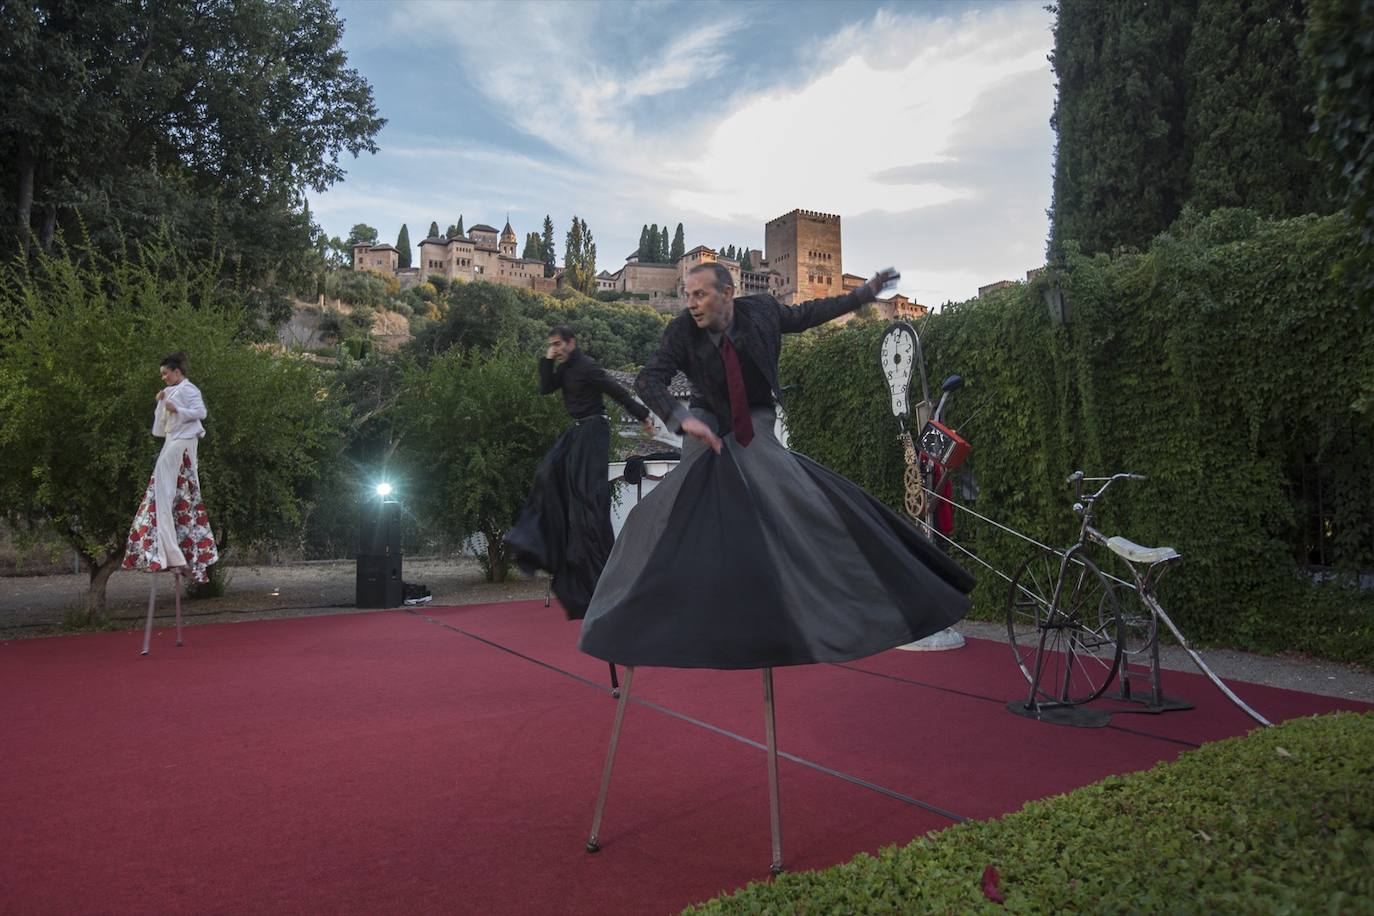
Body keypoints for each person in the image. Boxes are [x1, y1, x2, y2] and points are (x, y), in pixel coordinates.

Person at [579, 264, 975, 668]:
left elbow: (811, 315)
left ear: (728, 293)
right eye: (686, 294)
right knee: (657, 513)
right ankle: (621, 613)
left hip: (754, 419)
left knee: (789, 493)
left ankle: (850, 591)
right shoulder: (681, 330)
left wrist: (863, 294)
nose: (691, 303)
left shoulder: (765, 311)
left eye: (699, 294)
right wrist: (681, 418)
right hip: (706, 422)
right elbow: (648, 380)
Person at [506, 326, 655, 620]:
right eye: (552, 344)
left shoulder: (587, 367)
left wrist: (643, 416)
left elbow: (617, 391)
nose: (556, 348)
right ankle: (540, 542)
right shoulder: (564, 368)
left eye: (559, 344)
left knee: (587, 500)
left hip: (594, 431)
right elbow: (545, 388)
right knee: (547, 475)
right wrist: (547, 360)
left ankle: (599, 575)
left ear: (572, 342)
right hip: (576, 433)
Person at [122, 352, 218, 583]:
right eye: (162, 374)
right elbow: (159, 429)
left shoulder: (189, 389)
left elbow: (201, 413)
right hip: (171, 442)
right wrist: (161, 403)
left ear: (177, 372)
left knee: (163, 497)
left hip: (181, 444)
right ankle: (173, 552)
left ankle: (174, 552)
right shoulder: (170, 391)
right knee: (165, 497)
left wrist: (177, 410)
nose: (163, 377)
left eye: (166, 373)